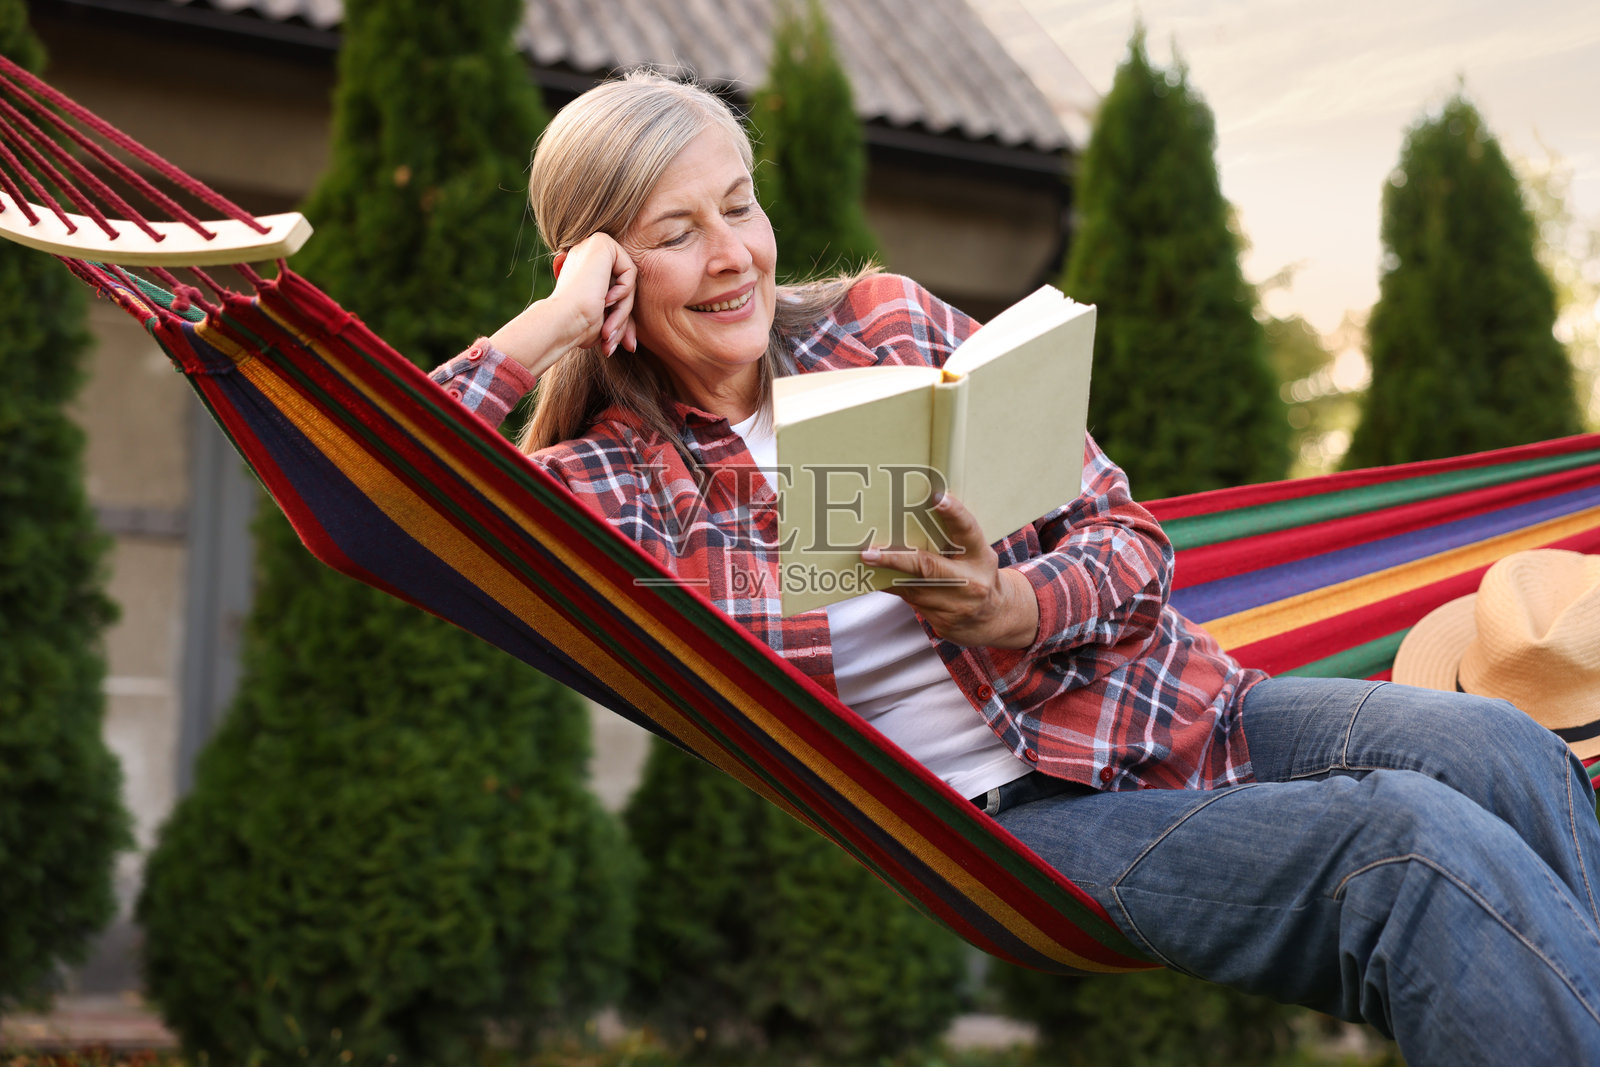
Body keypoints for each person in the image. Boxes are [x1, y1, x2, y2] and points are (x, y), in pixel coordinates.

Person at [430, 70, 1600, 1062]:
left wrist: (1012, 604)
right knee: (1406, 846)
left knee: (1500, 744)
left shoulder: (884, 324)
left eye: (739, 206)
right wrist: (552, 325)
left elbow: (1130, 540)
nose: (732, 255)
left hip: (1179, 707)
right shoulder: (623, 479)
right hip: (1013, 825)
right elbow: (405, 480)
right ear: (603, 265)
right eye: (675, 233)